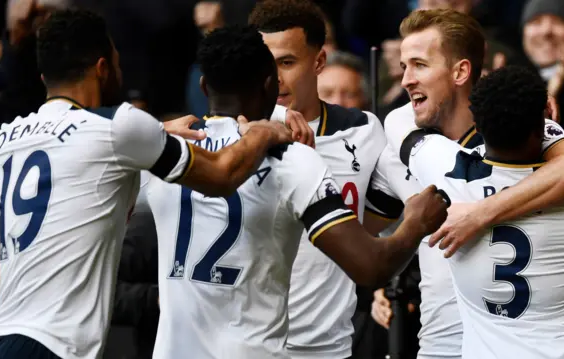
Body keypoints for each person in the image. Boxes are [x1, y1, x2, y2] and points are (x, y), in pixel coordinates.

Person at [0, 10, 296, 359]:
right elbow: (222, 175)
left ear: (45, 76)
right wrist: (264, 132)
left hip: (5, 333)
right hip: (54, 345)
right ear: (103, 67)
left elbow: (82, 145)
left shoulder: (5, 139)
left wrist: (160, 132)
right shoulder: (118, 126)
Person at [146, 25, 449, 359]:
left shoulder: (160, 155)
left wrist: (156, 133)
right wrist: (417, 223)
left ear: (204, 86)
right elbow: (370, 267)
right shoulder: (291, 158)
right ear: (269, 86)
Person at [370, 9, 564, 359]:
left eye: (419, 64)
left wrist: (480, 214)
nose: (405, 80)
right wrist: (384, 278)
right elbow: (370, 231)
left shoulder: (525, 137)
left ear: (461, 71)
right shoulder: (400, 138)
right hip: (437, 349)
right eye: (403, 66)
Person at [399, 65, 564, 359]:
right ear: (543, 123)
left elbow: (400, 121)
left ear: (476, 127)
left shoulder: (445, 173)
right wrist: (554, 130)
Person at [248, 2, 412, 358]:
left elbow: (372, 223)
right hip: (249, 344)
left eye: (287, 62)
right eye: (265, 63)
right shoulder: (236, 134)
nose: (274, 77)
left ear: (319, 61)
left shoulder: (364, 129)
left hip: (328, 346)